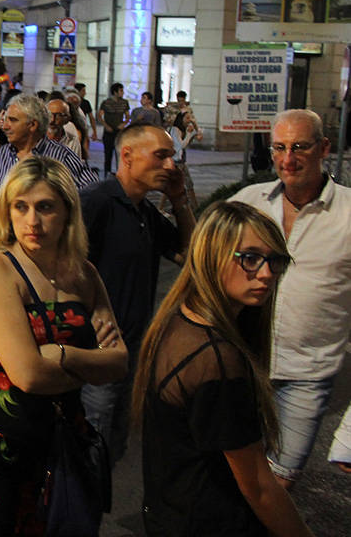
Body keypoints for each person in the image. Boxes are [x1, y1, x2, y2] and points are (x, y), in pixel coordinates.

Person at [0, 156, 128, 536]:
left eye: (45, 207)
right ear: (7, 211)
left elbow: (118, 363)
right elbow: (28, 375)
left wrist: (63, 356)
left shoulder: (83, 273)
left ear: (67, 212)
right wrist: (87, 364)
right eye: (21, 207)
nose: (32, 221)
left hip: (60, 441)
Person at [132, 201, 313, 537]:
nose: (266, 273)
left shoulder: (180, 319)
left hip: (169, 513)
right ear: (212, 255)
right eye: (250, 258)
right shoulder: (217, 361)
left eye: (275, 260)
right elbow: (258, 486)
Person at [230, 109, 351, 488]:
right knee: (235, 479)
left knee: (278, 485)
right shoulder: (249, 202)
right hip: (243, 365)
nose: (287, 159)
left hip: (307, 375)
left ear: (324, 148)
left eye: (299, 147)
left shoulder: (348, 213)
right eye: (279, 147)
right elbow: (203, 268)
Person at [80, 123, 196, 462]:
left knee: (113, 447)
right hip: (96, 357)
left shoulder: (144, 212)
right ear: (127, 156)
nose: (171, 166)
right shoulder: (96, 204)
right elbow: (64, 275)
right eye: (161, 156)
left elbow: (191, 257)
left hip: (131, 353)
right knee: (93, 451)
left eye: (172, 158)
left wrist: (179, 201)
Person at [0, 94, 97, 213]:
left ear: (33, 125)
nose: (4, 126)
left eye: (13, 120)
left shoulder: (62, 157)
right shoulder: (2, 154)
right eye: (5, 120)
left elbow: (92, 193)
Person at [99, 83, 130, 175]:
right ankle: (106, 174)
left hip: (119, 132)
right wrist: (106, 126)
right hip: (108, 132)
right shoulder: (106, 102)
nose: (122, 92)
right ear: (115, 92)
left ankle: (120, 174)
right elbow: (100, 116)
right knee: (108, 155)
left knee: (120, 155)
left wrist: (124, 124)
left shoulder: (124, 103)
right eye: (121, 90)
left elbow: (128, 116)